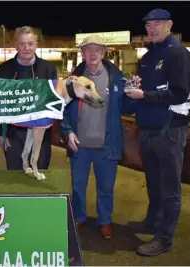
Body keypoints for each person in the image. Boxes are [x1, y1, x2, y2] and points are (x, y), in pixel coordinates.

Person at [124, 9, 190, 256]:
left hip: (171, 131)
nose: (152, 29)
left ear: (170, 25)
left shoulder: (179, 54)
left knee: (170, 188)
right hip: (148, 130)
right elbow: (144, 90)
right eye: (149, 25)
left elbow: (179, 93)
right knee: (153, 183)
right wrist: (135, 89)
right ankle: (153, 222)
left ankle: (164, 239)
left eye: (157, 24)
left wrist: (145, 95)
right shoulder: (147, 56)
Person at [59, 35, 133, 239]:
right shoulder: (73, 80)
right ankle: (79, 217)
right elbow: (62, 109)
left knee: (106, 187)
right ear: (82, 54)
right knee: (77, 186)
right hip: (79, 145)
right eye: (88, 50)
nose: (92, 53)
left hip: (107, 144)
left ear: (103, 53)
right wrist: (67, 131)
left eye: (97, 50)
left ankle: (105, 221)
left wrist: (135, 93)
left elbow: (125, 107)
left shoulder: (116, 78)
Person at [0, 26, 58, 170]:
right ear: (15, 45)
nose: (26, 48)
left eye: (30, 43)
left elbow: (56, 102)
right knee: (16, 177)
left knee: (39, 173)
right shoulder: (4, 69)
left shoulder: (49, 69)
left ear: (36, 45)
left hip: (40, 135)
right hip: (13, 135)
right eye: (22, 44)